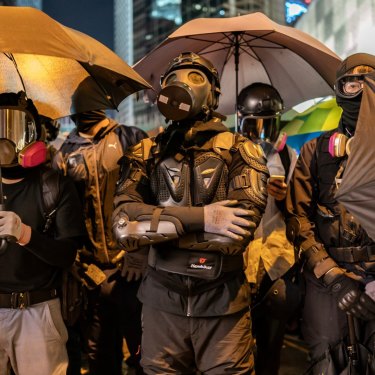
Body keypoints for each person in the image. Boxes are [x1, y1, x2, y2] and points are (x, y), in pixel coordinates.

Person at [112, 51, 269, 374]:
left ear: (213, 92)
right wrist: (206, 219)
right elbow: (124, 228)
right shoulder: (145, 152)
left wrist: (156, 233)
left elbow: (235, 236)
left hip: (223, 306)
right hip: (160, 306)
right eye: (172, 79)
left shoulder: (242, 150)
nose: (181, 85)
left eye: (195, 77)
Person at [286, 53, 375, 373]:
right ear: (340, 91)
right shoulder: (315, 152)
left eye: (369, 82)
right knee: (329, 362)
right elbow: (298, 221)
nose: (361, 90)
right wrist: (334, 277)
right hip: (327, 282)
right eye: (352, 82)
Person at [53, 109, 147, 375]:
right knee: (100, 356)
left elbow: (153, 198)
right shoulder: (64, 152)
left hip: (132, 271)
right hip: (90, 274)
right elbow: (59, 215)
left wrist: (140, 250)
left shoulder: (131, 138)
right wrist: (72, 259)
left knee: (144, 353)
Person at [0, 91, 85, 375]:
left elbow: (66, 254)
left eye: (15, 127)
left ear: (34, 133)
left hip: (36, 312)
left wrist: (25, 234)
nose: (6, 139)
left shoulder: (55, 186)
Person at [238, 83, 299, 375]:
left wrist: (284, 197)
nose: (260, 134)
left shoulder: (289, 157)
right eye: (253, 126)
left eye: (266, 126)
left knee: (271, 347)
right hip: (238, 262)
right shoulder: (230, 156)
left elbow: (301, 211)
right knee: (234, 349)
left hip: (276, 263)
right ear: (241, 123)